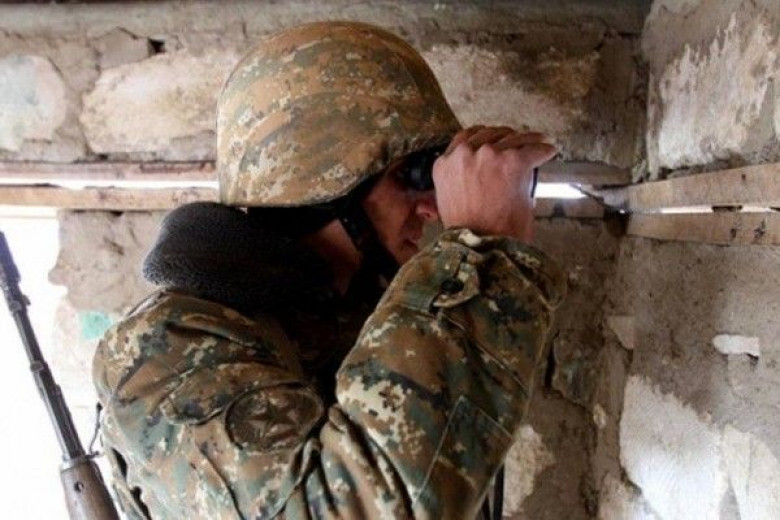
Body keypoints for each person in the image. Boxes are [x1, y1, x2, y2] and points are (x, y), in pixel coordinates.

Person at [93, 21, 565, 519]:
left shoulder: (367, 313)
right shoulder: (162, 353)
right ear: (327, 184)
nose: (433, 209)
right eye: (411, 176)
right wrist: (477, 254)